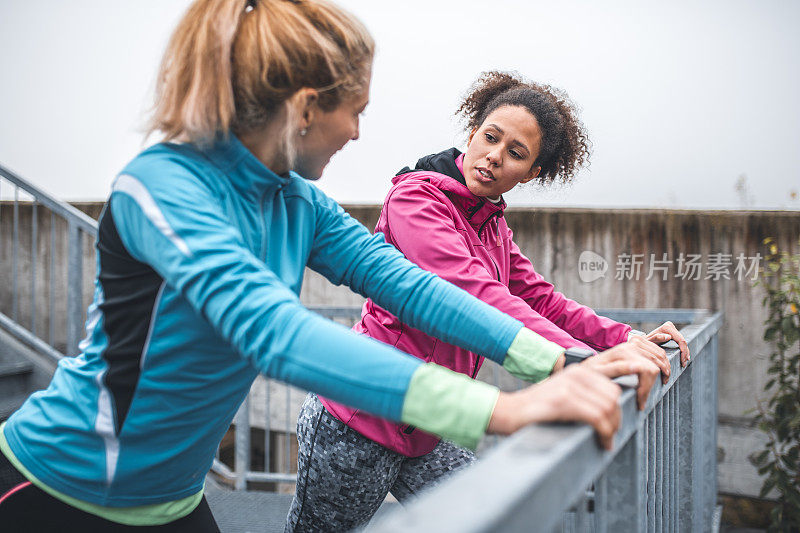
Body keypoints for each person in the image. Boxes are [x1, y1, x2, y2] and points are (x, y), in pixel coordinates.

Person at [0, 2, 648, 531]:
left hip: (170, 502)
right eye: (356, 111)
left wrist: (561, 362)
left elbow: (411, 287)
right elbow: (276, 333)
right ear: (306, 107)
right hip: (56, 486)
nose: (358, 133)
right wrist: (503, 410)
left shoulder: (299, 202)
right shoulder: (162, 186)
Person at [288, 71, 690, 532]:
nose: (494, 157)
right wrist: (578, 360)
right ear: (472, 133)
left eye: (515, 153)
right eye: (490, 137)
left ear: (533, 172)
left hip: (428, 426)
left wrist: (624, 338)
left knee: (498, 518)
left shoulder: (490, 224)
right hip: (359, 421)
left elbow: (543, 299)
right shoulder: (417, 198)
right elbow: (474, 292)